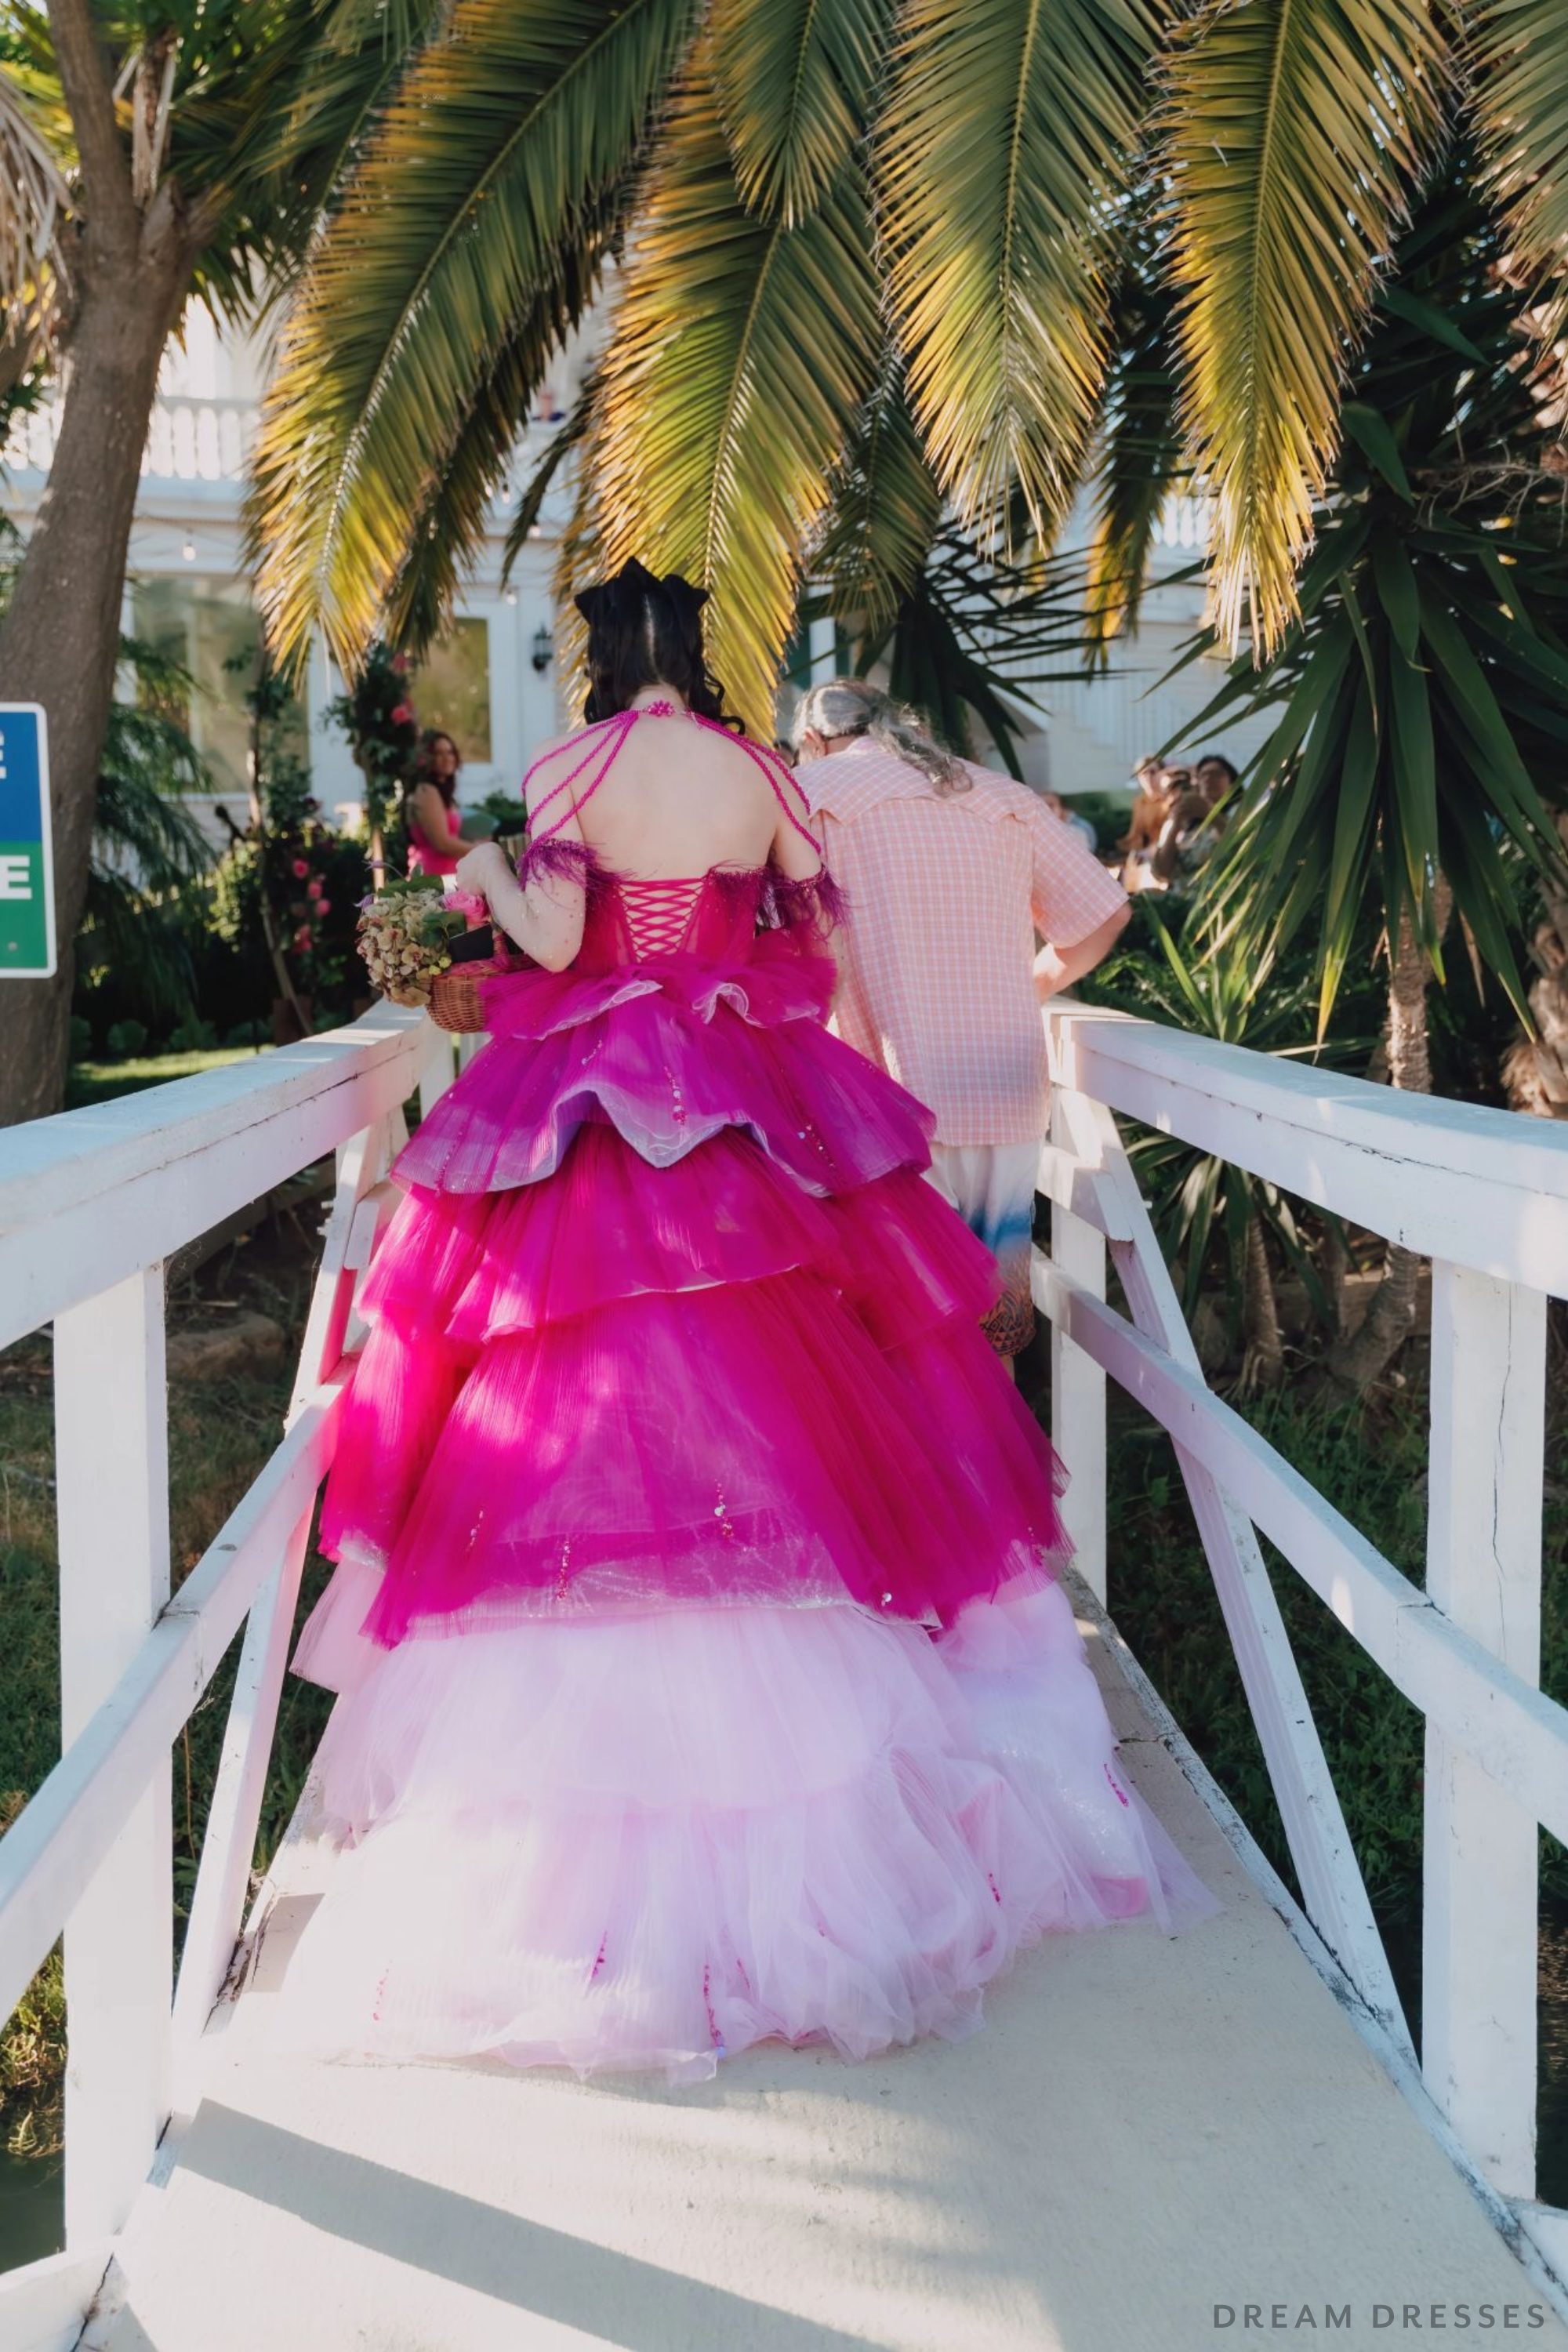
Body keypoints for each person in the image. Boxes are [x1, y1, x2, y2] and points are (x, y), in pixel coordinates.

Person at [280, 561, 1208, 2080]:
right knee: (794, 1380)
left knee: (561, 1376)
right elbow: (806, 939)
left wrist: (477, 887)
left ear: (597, 660)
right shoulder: (754, 769)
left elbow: (565, 938)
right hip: (734, 1087)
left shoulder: (575, 767)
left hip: (592, 1086)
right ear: (698, 660)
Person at [793, 681, 1130, 1363]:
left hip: (886, 1094)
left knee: (902, 1333)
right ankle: (1003, 1468)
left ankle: (920, 1472)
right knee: (993, 1319)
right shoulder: (999, 794)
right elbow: (1106, 913)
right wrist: (1034, 983)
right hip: (1003, 1084)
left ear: (811, 740)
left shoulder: (811, 794)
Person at [405, 729, 488, 877]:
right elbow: (442, 843)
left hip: (447, 874)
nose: (447, 758)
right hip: (435, 877)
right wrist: (482, 849)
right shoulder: (426, 791)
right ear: (426, 758)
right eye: (438, 753)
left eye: (450, 752)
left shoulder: (439, 792)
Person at [1043, 789, 1099, 855]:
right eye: (1042, 805)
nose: (1045, 808)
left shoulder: (1077, 833)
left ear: (1062, 809)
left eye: (1051, 805)